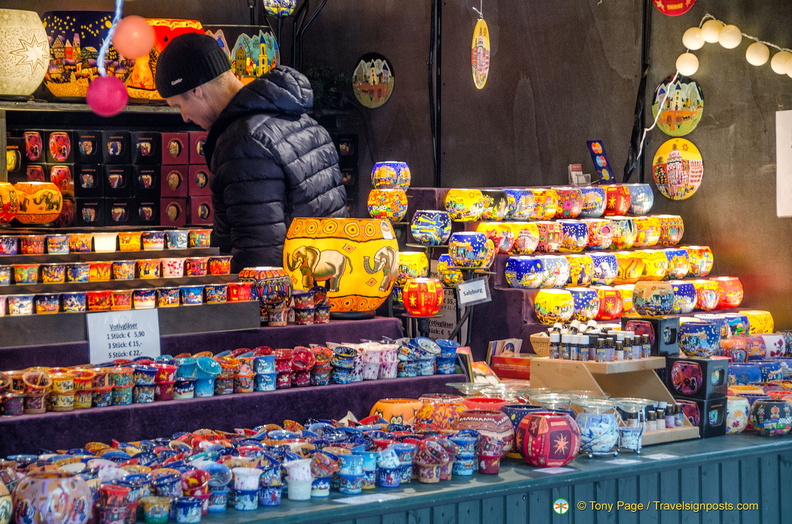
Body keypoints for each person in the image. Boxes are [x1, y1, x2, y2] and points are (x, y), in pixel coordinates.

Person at [155, 32, 348, 272]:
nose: (184, 117)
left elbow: (258, 254)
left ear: (196, 90)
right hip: (325, 286)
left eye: (179, 105)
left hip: (281, 299)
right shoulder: (303, 120)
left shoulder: (242, 142)